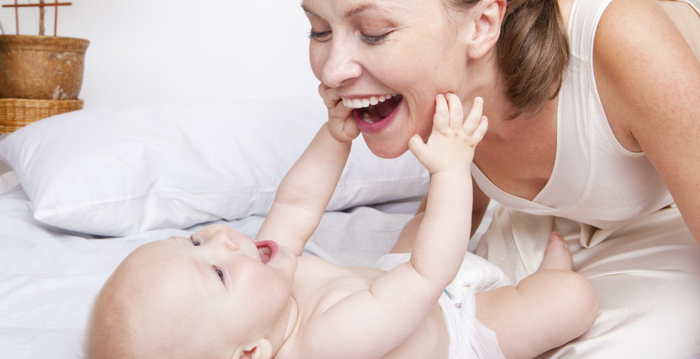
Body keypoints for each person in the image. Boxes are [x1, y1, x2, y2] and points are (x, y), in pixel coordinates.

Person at [299, 0, 700, 357]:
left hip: (673, 222)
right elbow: (457, 210)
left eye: (372, 32)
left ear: (483, 23)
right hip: (551, 233)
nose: (331, 72)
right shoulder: (442, 100)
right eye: (319, 31)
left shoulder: (619, 35)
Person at [86, 93, 597, 359]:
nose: (220, 240)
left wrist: (336, 135)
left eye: (193, 240)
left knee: (425, 224)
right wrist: (449, 169)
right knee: (569, 303)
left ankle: (477, 204)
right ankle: (546, 275)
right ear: (250, 353)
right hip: (455, 326)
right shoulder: (330, 341)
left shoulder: (265, 285)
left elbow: (296, 203)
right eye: (217, 272)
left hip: (391, 285)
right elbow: (428, 275)